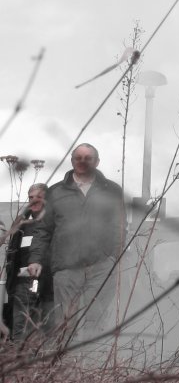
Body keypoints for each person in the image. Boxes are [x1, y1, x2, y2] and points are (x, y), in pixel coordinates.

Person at [28, 143, 125, 340]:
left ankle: (93, 358)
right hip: (66, 268)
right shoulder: (55, 192)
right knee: (65, 323)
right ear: (72, 161)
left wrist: (114, 257)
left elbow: (119, 226)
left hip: (101, 266)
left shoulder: (112, 190)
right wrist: (35, 259)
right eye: (78, 158)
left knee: (96, 320)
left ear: (97, 162)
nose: (82, 162)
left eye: (88, 158)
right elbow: (43, 229)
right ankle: (65, 358)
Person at [8, 183, 50, 343]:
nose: (34, 200)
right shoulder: (21, 222)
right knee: (20, 325)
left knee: (42, 324)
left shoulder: (53, 222)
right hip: (22, 283)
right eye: (31, 197)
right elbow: (13, 254)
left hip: (46, 284)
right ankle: (19, 355)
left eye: (39, 197)